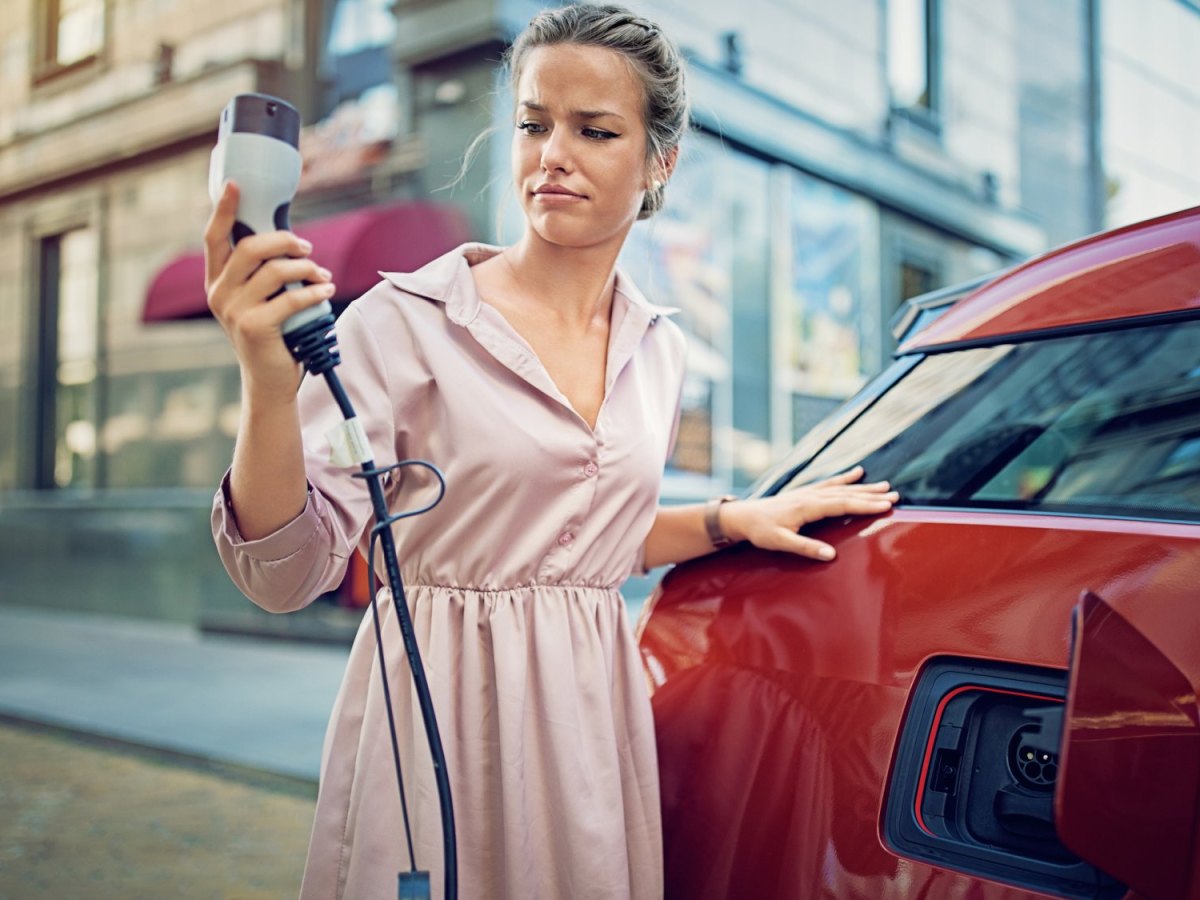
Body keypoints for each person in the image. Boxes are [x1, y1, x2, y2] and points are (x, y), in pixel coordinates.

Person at [203, 4, 898, 898]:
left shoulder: (662, 345)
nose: (552, 153)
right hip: (440, 723)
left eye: (594, 129)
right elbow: (282, 576)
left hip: (590, 727)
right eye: (534, 123)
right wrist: (266, 387)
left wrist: (733, 520)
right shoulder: (403, 322)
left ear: (659, 163)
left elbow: (577, 534)